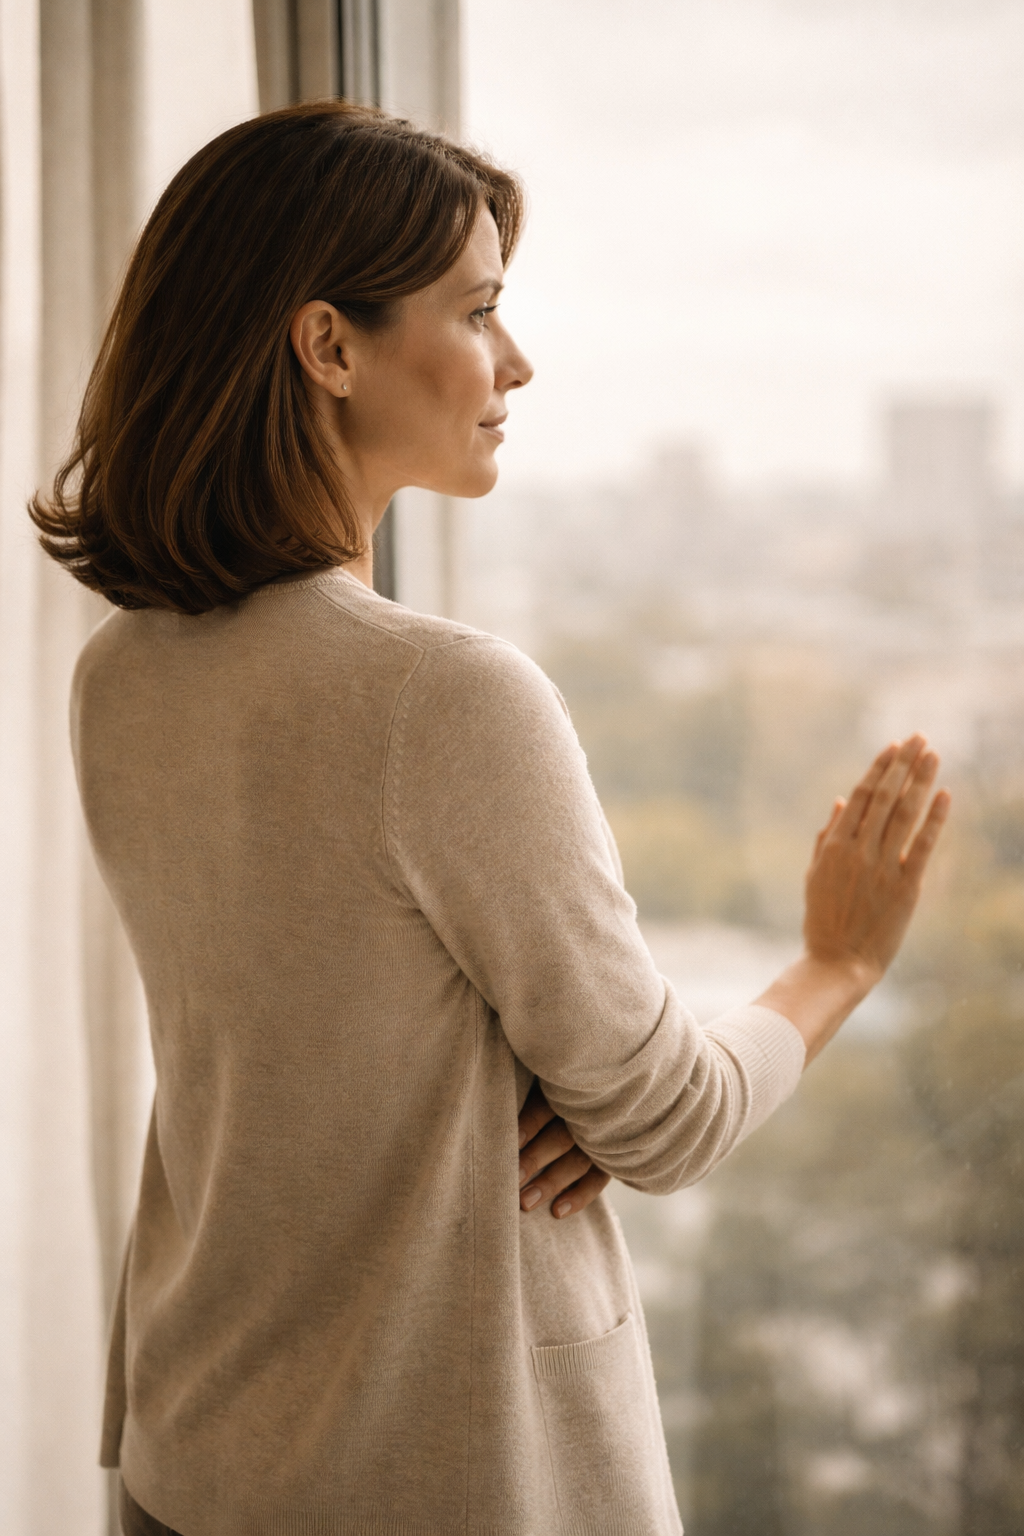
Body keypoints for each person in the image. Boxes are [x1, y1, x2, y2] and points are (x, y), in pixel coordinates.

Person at [31, 101, 949, 1536]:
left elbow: (321, 1043)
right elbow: (670, 1121)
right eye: (478, 311)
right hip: (434, 1482)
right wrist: (838, 960)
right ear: (328, 347)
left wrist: (552, 1082)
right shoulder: (444, 702)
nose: (516, 362)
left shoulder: (121, 675)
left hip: (189, 1458)